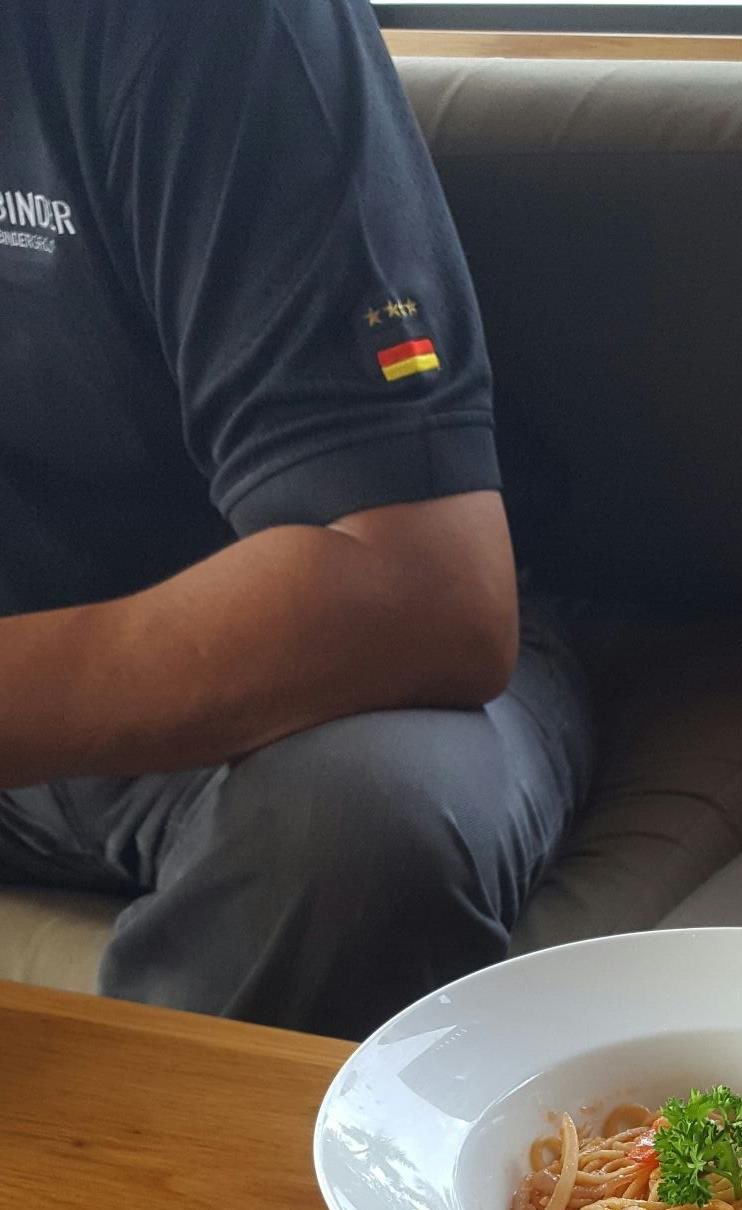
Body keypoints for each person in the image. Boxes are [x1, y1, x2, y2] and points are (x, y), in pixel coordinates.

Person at [0, 0, 592, 1037]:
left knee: (356, 828)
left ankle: (172, 1148)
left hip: (295, 693)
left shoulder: (209, 31)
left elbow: (425, 590)